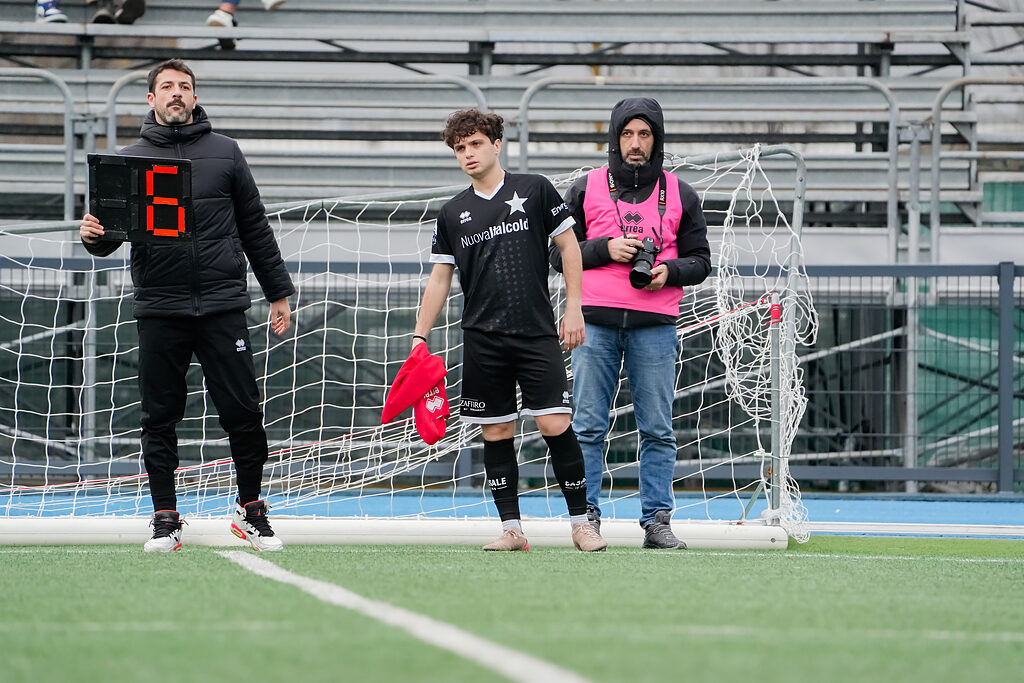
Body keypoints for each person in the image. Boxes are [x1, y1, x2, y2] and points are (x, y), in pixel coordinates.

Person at [79, 59, 295, 553]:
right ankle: (165, 516)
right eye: (167, 87)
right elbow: (108, 237)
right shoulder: (129, 160)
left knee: (244, 412)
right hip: (160, 307)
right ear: (151, 99)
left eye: (184, 86)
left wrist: (277, 292)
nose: (176, 93)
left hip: (223, 305)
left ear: (195, 98)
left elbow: (255, 228)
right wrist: (92, 236)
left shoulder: (226, 152)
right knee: (159, 417)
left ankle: (250, 509)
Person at [414, 108, 606, 552]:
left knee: (555, 424)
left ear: (496, 144)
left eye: (475, 144)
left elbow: (569, 247)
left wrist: (574, 308)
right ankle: (512, 529)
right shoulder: (452, 212)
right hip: (483, 339)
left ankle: (582, 524)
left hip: (536, 332)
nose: (468, 153)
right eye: (459, 148)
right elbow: (440, 279)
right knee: (496, 433)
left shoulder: (534, 189)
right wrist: (419, 336)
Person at [549, 97, 711, 549]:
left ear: (656, 139)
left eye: (644, 134)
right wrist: (605, 249)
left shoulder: (682, 193)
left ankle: (657, 522)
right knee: (587, 427)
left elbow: (702, 262)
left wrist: (667, 272)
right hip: (594, 324)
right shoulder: (585, 188)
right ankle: (586, 519)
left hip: (656, 325)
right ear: (614, 138)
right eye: (627, 134)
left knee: (658, 428)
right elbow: (556, 256)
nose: (635, 143)